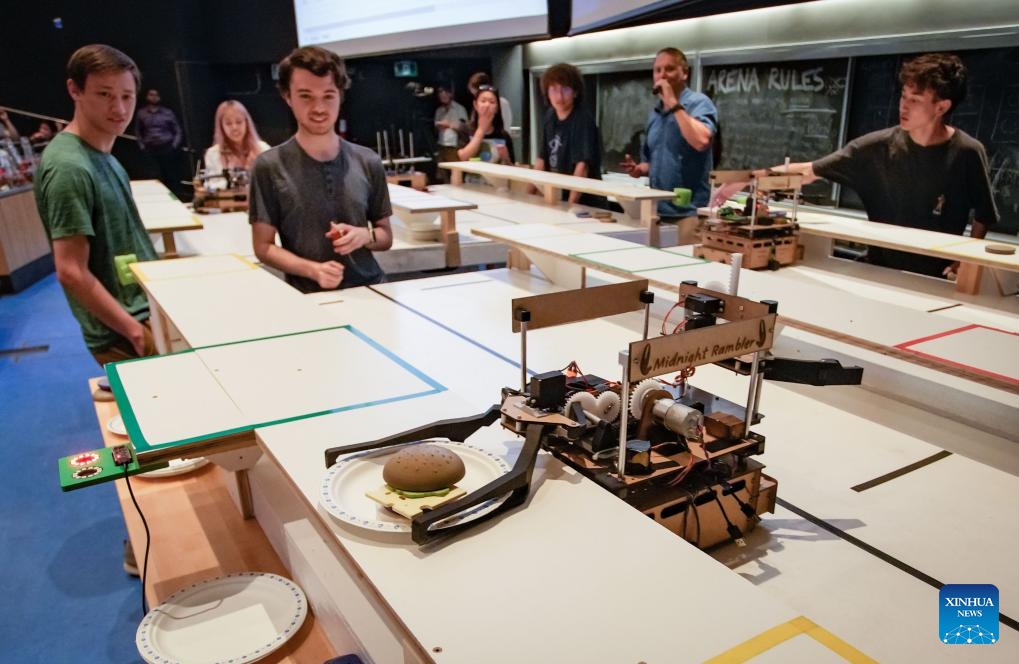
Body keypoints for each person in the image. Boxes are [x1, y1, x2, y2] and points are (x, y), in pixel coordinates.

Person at [34, 43, 158, 576]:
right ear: (74, 91)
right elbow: (70, 269)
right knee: (147, 438)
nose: (119, 107)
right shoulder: (66, 167)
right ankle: (143, 545)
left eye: (126, 95)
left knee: (151, 431)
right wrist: (132, 328)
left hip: (138, 313)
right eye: (104, 95)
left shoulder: (102, 153)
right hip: (122, 327)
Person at [760, 53, 998, 279]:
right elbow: (808, 171)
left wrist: (966, 260)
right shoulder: (876, 147)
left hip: (935, 277)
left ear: (942, 107)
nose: (903, 106)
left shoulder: (967, 152)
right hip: (878, 269)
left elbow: (984, 215)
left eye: (915, 100)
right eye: (903, 96)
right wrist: (751, 178)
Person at [249, 46, 393, 294]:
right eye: (306, 96)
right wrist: (312, 270)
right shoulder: (269, 166)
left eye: (328, 95)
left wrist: (364, 235)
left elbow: (385, 237)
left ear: (340, 96)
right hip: (310, 298)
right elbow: (263, 247)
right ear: (287, 97)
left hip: (373, 291)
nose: (319, 108)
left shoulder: (367, 160)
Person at [620, 47, 717, 244]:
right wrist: (639, 169)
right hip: (656, 212)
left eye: (669, 69)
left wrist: (673, 103)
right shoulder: (655, 114)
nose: (662, 75)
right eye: (657, 70)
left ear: (685, 73)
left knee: (683, 273)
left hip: (688, 215)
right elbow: (652, 162)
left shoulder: (699, 103)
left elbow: (701, 141)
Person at [532, 63, 605, 208]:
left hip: (586, 204)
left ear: (575, 92)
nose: (559, 96)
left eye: (565, 89)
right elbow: (541, 160)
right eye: (553, 89)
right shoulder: (550, 117)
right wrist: (526, 197)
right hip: (559, 198)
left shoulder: (582, 119)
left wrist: (570, 207)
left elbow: (582, 168)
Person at [134, 88, 184, 195]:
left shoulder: (167, 113)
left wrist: (174, 145)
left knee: (171, 176)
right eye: (151, 94)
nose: (153, 97)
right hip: (150, 149)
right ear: (147, 96)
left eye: (156, 95)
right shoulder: (141, 113)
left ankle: (176, 197)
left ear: (160, 97)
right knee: (154, 176)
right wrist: (142, 145)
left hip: (167, 147)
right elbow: (138, 131)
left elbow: (177, 130)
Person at [204, 100, 270, 172]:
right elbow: (213, 182)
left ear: (247, 123)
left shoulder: (263, 149)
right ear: (221, 127)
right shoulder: (213, 154)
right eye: (228, 123)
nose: (234, 128)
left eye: (239, 122)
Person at [457, 85, 514, 165]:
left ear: (497, 108)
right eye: (483, 101)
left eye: (492, 102)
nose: (487, 105)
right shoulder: (465, 128)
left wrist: (506, 158)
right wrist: (481, 129)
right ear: (475, 105)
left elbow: (511, 167)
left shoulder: (503, 135)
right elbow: (463, 157)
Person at [433, 84, 468, 181]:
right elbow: (436, 131)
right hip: (441, 145)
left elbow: (465, 129)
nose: (443, 94)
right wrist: (437, 127)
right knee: (442, 176)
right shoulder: (439, 111)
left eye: (445, 92)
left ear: (451, 93)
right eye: (440, 92)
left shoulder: (459, 109)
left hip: (455, 147)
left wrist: (449, 125)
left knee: (456, 175)